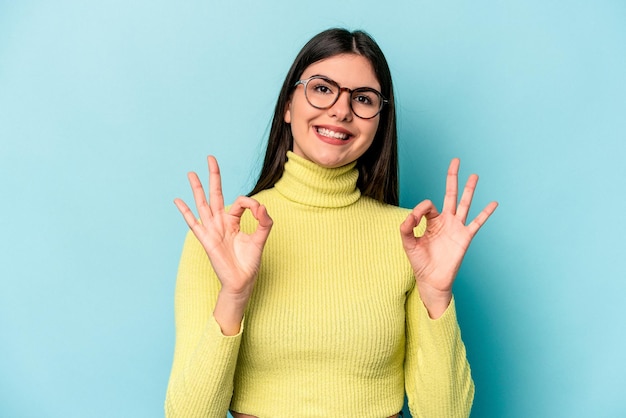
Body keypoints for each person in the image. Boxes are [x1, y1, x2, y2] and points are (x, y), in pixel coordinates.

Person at [164, 28, 498, 418]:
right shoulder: (225, 236)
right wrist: (234, 295)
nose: (342, 110)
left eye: (363, 99)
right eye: (322, 89)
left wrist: (437, 295)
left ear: (378, 122)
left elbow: (447, 414)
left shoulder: (412, 240)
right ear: (288, 105)